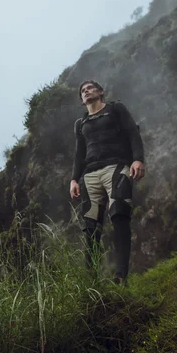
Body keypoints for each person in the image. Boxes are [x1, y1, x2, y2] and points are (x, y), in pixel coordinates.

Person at [69, 80, 145, 285]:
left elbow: (132, 132)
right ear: (81, 100)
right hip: (90, 175)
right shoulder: (81, 123)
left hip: (117, 166)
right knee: (91, 227)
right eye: (82, 91)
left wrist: (138, 159)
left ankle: (121, 275)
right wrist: (74, 179)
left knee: (119, 214)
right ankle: (91, 283)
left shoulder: (115, 109)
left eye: (90, 88)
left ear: (101, 92)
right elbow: (79, 154)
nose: (86, 91)